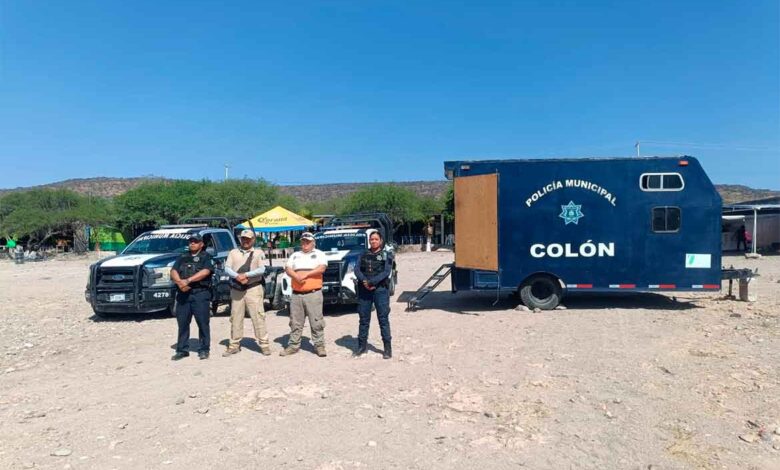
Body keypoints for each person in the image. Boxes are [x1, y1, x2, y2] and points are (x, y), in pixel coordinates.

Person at [222, 229, 272, 356]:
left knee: (258, 316)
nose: (245, 241)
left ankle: (264, 344)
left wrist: (246, 275)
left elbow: (262, 269)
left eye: (248, 239)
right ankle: (234, 344)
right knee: (235, 317)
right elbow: (227, 268)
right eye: (243, 238)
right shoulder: (233, 252)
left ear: (253, 240)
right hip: (237, 288)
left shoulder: (258, 252)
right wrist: (237, 276)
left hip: (253, 288)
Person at [280, 232, 328, 357]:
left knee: (316, 321)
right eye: (303, 241)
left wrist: (306, 275)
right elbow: (288, 268)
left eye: (307, 241)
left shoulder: (319, 254)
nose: (305, 244)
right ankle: (293, 345)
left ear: (313, 243)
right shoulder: (295, 255)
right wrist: (296, 276)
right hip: (296, 294)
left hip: (313, 293)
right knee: (295, 321)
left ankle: (319, 345)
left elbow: (322, 268)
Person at [170, 234, 214, 360]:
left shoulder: (206, 257)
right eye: (190, 242)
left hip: (200, 293)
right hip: (183, 293)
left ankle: (204, 349)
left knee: (202, 322)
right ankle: (182, 349)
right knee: (182, 322)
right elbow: (173, 271)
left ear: (201, 244)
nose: (192, 244)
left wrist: (188, 280)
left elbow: (205, 271)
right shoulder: (182, 256)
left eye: (195, 242)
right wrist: (180, 282)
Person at [354, 231, 395, 359]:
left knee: (383, 319)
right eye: (371, 239)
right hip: (364, 290)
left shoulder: (386, 255)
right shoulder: (363, 254)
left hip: (380, 290)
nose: (373, 241)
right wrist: (364, 281)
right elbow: (357, 269)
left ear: (381, 241)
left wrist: (372, 281)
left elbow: (386, 271)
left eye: (376, 239)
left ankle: (387, 349)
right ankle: (362, 346)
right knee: (363, 319)